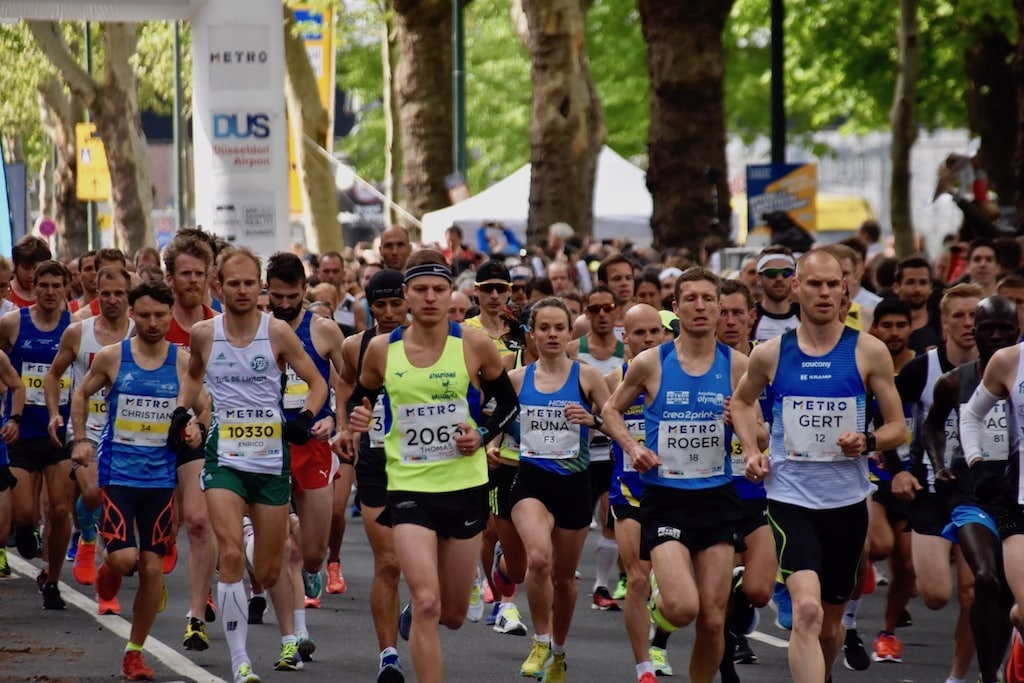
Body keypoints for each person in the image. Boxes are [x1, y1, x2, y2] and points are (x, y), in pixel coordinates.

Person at [730, 250, 906, 683]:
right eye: (814, 284)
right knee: (805, 611)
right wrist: (752, 451)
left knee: (830, 623)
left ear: (844, 289)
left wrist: (866, 440)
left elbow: (898, 427)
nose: (824, 292)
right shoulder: (771, 354)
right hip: (790, 498)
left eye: (832, 284)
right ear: (796, 288)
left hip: (847, 502)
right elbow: (741, 401)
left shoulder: (868, 351)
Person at [348, 250, 518, 683]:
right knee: (426, 601)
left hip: (464, 485)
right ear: (406, 295)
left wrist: (481, 434)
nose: (429, 298)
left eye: (438, 290)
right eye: (420, 290)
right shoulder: (383, 350)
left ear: (451, 295)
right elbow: (359, 398)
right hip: (407, 486)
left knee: (455, 614)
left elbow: (507, 404)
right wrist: (358, 417)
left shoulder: (474, 344)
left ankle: (432, 607)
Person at [175, 247, 329, 683]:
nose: (242, 291)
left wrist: (303, 418)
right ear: (217, 287)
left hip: (270, 460)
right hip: (223, 457)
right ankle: (240, 660)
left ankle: (249, 549)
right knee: (227, 554)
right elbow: (193, 376)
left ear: (258, 286)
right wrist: (182, 412)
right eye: (233, 283)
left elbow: (317, 382)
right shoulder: (205, 333)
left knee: (266, 569)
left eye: (249, 283)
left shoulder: (276, 332)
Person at [601, 268, 748, 683]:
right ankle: (657, 606)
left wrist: (743, 429)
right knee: (683, 608)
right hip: (666, 498)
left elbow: (762, 429)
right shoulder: (651, 362)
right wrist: (633, 447)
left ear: (720, 306)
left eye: (708, 298)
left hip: (718, 498)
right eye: (691, 299)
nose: (700, 306)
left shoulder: (738, 365)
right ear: (676, 307)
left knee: (714, 620)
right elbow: (611, 411)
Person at [71, 279, 208, 681]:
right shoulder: (113, 358)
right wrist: (81, 441)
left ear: (170, 316)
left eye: (160, 315)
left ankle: (134, 653)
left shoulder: (182, 362)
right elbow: (81, 394)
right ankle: (107, 571)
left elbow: (204, 402)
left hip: (161, 479)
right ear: (132, 314)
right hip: (118, 475)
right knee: (124, 559)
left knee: (152, 568)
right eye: (144, 315)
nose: (152, 323)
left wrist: (198, 427)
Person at [510, 296, 611, 683]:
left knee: (565, 579)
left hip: (574, 485)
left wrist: (594, 419)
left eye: (559, 328)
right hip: (531, 482)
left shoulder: (586, 377)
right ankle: (540, 640)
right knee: (538, 560)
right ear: (532, 334)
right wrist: (489, 441)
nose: (552, 335)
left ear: (570, 333)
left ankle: (559, 652)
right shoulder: (518, 380)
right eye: (544, 328)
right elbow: (496, 418)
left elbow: (612, 420)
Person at [924, 296, 1018, 683]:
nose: (995, 336)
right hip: (971, 495)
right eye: (987, 328)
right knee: (984, 577)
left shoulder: (1019, 376)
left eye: (1005, 329)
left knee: (1010, 596)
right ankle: (988, 675)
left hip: (1014, 497)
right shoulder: (954, 381)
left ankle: (993, 666)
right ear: (973, 332)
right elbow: (931, 425)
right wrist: (941, 465)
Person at [897, 284, 983, 683]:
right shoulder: (921, 370)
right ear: (943, 322)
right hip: (931, 490)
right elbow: (886, 419)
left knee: (974, 592)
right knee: (935, 596)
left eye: (975, 316)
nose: (968, 324)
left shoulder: (1002, 367)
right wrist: (895, 469)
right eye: (960, 316)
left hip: (981, 493)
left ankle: (956, 674)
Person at [265, 252, 347, 644]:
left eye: (291, 296)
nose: (283, 304)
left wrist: (336, 419)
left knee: (313, 554)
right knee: (281, 552)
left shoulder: (325, 331)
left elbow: (348, 384)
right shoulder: (256, 330)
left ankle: (294, 527)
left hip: (313, 445)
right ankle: (293, 630)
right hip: (266, 446)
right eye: (276, 296)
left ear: (304, 289)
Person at [336, 268, 409, 682]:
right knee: (390, 561)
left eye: (395, 303)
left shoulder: (434, 345)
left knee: (426, 563)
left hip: (427, 464)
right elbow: (345, 385)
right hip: (377, 461)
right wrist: (346, 425)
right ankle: (388, 655)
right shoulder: (355, 346)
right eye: (378, 305)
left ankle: (421, 601)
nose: (387, 312)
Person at [43, 266, 133, 597]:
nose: (111, 300)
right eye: (105, 293)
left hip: (128, 429)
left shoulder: (139, 332)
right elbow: (53, 375)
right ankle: (88, 537)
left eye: (119, 294)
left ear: (128, 296)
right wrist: (55, 414)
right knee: (93, 491)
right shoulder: (78, 332)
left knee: (114, 496)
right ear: (95, 293)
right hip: (86, 426)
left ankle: (104, 542)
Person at [603, 303, 677, 681]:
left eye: (655, 332)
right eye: (640, 333)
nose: (649, 339)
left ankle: (661, 637)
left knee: (676, 593)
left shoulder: (680, 376)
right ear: (625, 338)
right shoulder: (615, 379)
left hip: (676, 490)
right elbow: (605, 417)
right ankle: (644, 665)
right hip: (630, 490)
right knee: (637, 577)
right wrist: (629, 445)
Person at [0, 260, 74, 608]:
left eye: (55, 285)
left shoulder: (74, 328)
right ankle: (27, 529)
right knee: (24, 512)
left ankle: (53, 579)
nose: (48, 291)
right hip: (20, 430)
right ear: (33, 286)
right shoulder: (14, 323)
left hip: (58, 430)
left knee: (60, 510)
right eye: (42, 284)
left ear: (65, 288)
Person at [162, 230, 220, 650]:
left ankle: (196, 614)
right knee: (167, 528)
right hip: (146, 436)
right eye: (185, 273)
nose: (193, 281)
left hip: (199, 430)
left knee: (200, 522)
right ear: (170, 278)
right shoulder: (152, 320)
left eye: (200, 273)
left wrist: (201, 418)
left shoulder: (219, 321)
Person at [750, 246, 800, 341]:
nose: (779, 279)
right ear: (759, 279)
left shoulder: (805, 314)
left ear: (794, 276)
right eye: (771, 273)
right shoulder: (751, 316)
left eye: (786, 272)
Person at [9, 235, 51, 308]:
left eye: (36, 268)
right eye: (25, 268)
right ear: (15, 265)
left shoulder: (51, 294)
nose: (31, 275)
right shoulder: (5, 292)